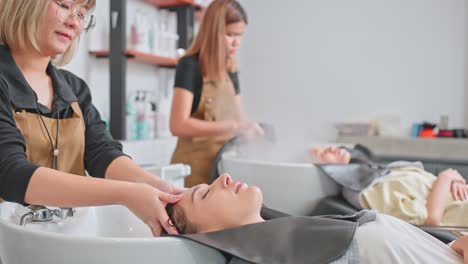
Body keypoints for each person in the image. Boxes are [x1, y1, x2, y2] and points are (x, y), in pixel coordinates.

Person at [0, 0, 182, 236]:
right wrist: (125, 193)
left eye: (82, 14)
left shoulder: (74, 89)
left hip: (62, 240)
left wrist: (156, 186)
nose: (74, 22)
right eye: (64, 5)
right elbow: (11, 173)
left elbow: (102, 154)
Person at [164, 174, 466, 263]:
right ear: (207, 234)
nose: (223, 177)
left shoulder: (305, 238)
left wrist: (451, 245)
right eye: (203, 194)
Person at [170, 0, 263, 188]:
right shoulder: (189, 66)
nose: (237, 42)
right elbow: (178, 125)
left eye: (240, 35)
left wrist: (249, 133)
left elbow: (238, 117)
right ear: (212, 32)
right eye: (230, 35)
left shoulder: (231, 69)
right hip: (193, 173)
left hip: (222, 170)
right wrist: (234, 127)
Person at [309, 145, 468, 227]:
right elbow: (430, 220)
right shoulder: (370, 190)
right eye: (323, 153)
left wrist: (451, 179)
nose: (331, 148)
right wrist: (447, 178)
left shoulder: (387, 173)